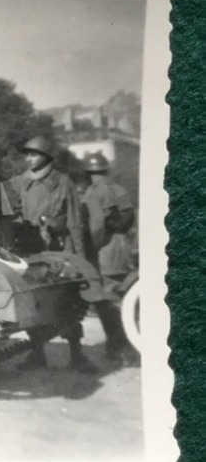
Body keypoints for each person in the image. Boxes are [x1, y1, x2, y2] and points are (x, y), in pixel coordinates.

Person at [8, 135, 94, 372]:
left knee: (68, 303)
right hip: (31, 249)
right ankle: (37, 354)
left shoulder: (62, 182)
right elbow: (11, 210)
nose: (28, 159)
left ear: (46, 156)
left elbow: (76, 221)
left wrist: (80, 258)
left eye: (33, 154)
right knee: (33, 302)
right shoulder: (21, 182)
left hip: (58, 248)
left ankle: (77, 355)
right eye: (26, 154)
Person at [81, 152, 139, 364]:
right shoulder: (120, 190)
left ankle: (120, 348)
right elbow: (130, 221)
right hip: (122, 247)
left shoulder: (94, 193)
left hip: (104, 250)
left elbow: (95, 228)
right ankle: (127, 344)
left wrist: (89, 250)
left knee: (106, 299)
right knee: (122, 295)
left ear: (88, 172)